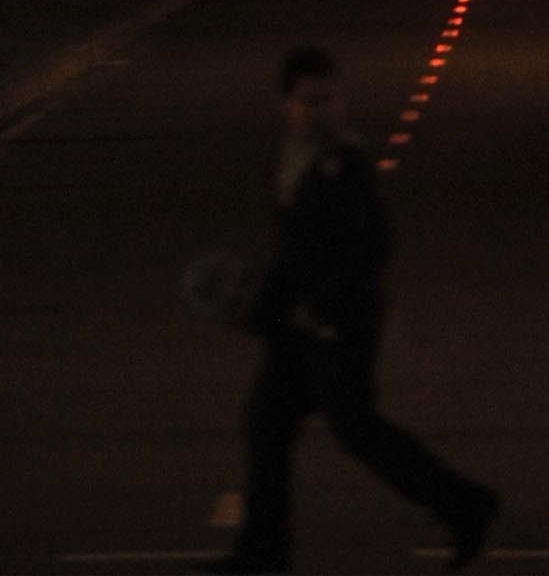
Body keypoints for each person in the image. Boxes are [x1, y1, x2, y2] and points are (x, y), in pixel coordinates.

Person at [206, 46, 495, 576]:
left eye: (330, 99)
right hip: (296, 330)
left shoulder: (348, 165)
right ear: (286, 104)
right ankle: (262, 552)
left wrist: (324, 311)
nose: (322, 110)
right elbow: (291, 251)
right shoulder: (287, 158)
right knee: (266, 427)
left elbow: (372, 249)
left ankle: (465, 505)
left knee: (358, 431)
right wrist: (265, 309)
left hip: (339, 328)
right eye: (309, 101)